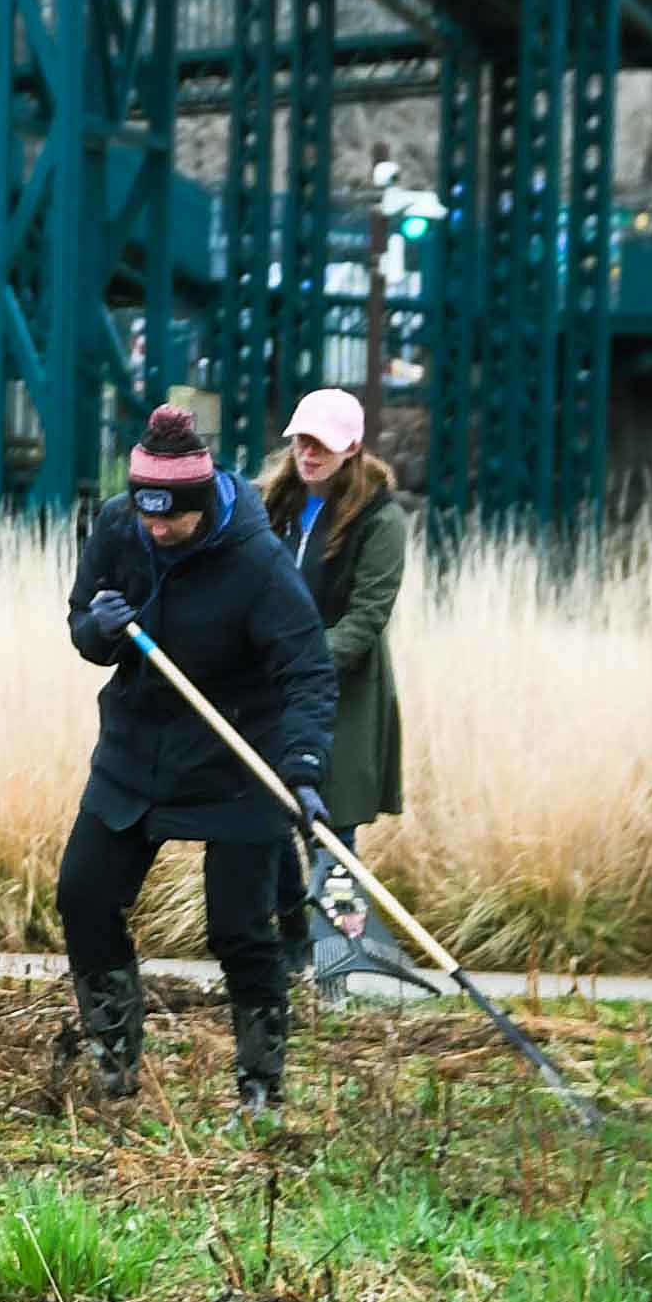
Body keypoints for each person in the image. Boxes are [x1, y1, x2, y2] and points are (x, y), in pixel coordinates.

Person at [58, 404, 338, 1118]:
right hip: (136, 747)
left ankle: (260, 1086)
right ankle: (113, 1059)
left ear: (202, 501)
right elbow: (80, 624)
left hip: (237, 753)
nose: (155, 529)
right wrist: (102, 629)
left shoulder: (256, 561)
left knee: (240, 928)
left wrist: (302, 767)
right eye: (146, 514)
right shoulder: (121, 524)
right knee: (84, 895)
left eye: (170, 519)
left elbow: (307, 670)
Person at [254, 385, 409, 990]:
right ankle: (293, 953)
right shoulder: (274, 504)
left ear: (351, 449)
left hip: (342, 694)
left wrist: (305, 665)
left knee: (332, 837)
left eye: (322, 443)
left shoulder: (380, 519)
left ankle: (337, 974)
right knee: (266, 823)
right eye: (301, 439)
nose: (309, 452)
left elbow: (367, 619)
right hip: (270, 688)